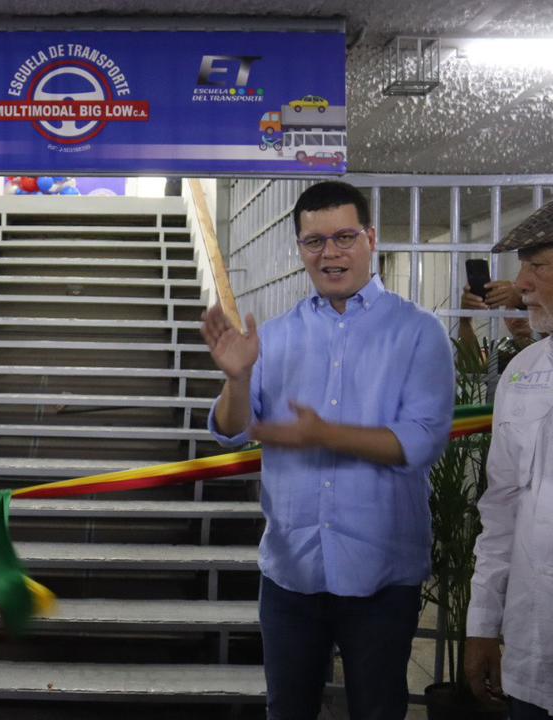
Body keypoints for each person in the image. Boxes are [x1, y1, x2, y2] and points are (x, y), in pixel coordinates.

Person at [203, 180, 455, 719]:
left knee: (378, 710)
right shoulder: (275, 335)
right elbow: (230, 428)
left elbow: (421, 441)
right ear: (299, 249)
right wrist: (239, 378)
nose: (330, 253)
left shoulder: (419, 333)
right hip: (292, 574)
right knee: (287, 711)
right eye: (314, 242)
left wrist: (323, 434)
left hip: (382, 575)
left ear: (370, 238)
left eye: (344, 237)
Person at [465, 201, 553, 719]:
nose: (520, 284)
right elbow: (500, 510)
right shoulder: (523, 372)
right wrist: (481, 625)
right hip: (533, 650)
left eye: (537, 266)